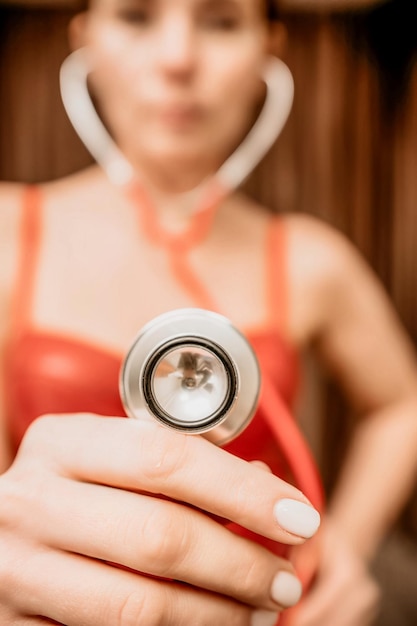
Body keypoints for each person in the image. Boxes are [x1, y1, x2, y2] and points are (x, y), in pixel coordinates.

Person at [0, 0, 417, 624]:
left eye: (221, 22)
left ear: (266, 53)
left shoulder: (310, 258)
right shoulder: (9, 232)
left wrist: (343, 550)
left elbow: (402, 403)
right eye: (137, 17)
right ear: (84, 42)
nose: (178, 59)